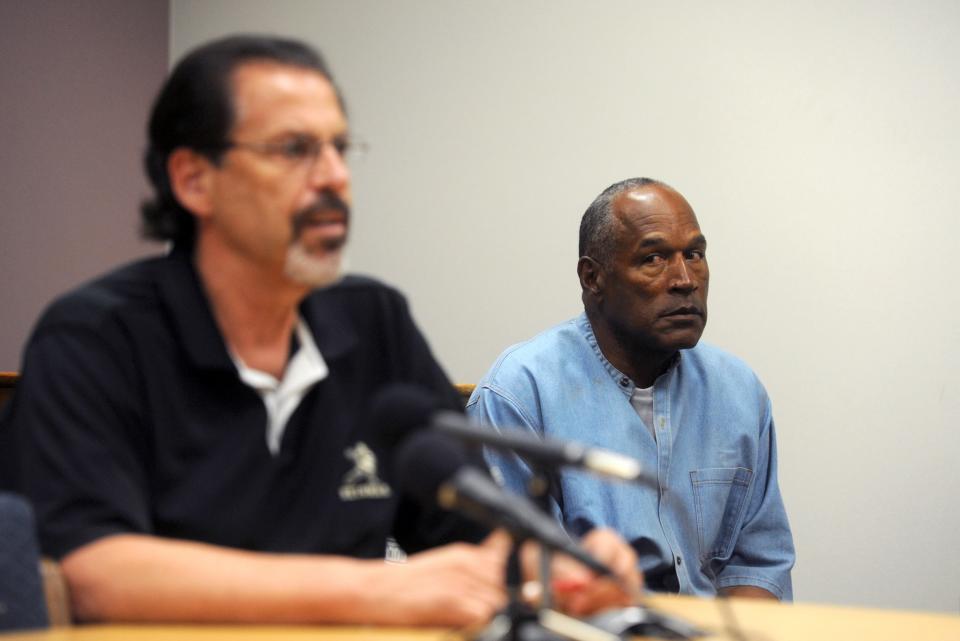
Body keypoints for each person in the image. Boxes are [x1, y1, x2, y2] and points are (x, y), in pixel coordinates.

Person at [0, 36, 639, 625]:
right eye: (295, 150)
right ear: (194, 179)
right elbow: (92, 572)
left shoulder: (373, 323)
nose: (335, 176)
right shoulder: (93, 337)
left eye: (339, 147)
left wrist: (557, 564)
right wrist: (381, 589)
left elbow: (467, 537)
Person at [468, 177, 795, 600]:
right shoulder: (519, 393)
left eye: (694, 255)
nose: (684, 279)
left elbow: (759, 563)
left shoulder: (738, 392)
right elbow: (518, 581)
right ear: (593, 278)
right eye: (654, 258)